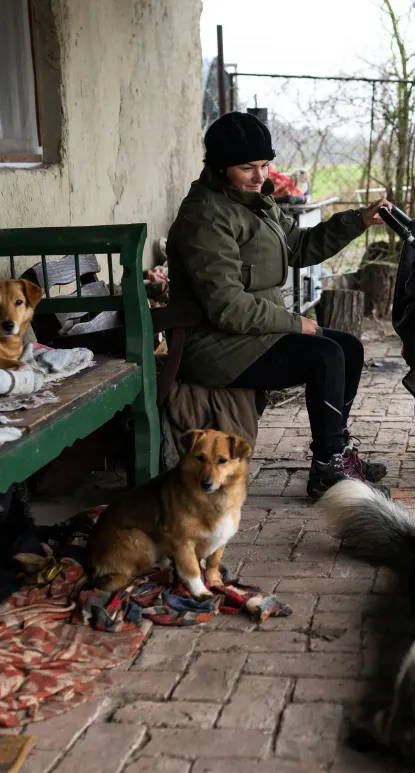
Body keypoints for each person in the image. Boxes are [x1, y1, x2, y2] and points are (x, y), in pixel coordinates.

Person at [166, 112, 392, 499]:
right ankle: (327, 468)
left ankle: (335, 452)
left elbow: (300, 247)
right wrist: (292, 322)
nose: (260, 175)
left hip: (253, 333)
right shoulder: (205, 217)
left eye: (264, 164)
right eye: (247, 167)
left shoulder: (257, 201)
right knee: (323, 356)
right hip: (213, 343)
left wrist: (357, 221)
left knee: (349, 348)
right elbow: (226, 306)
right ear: (220, 168)